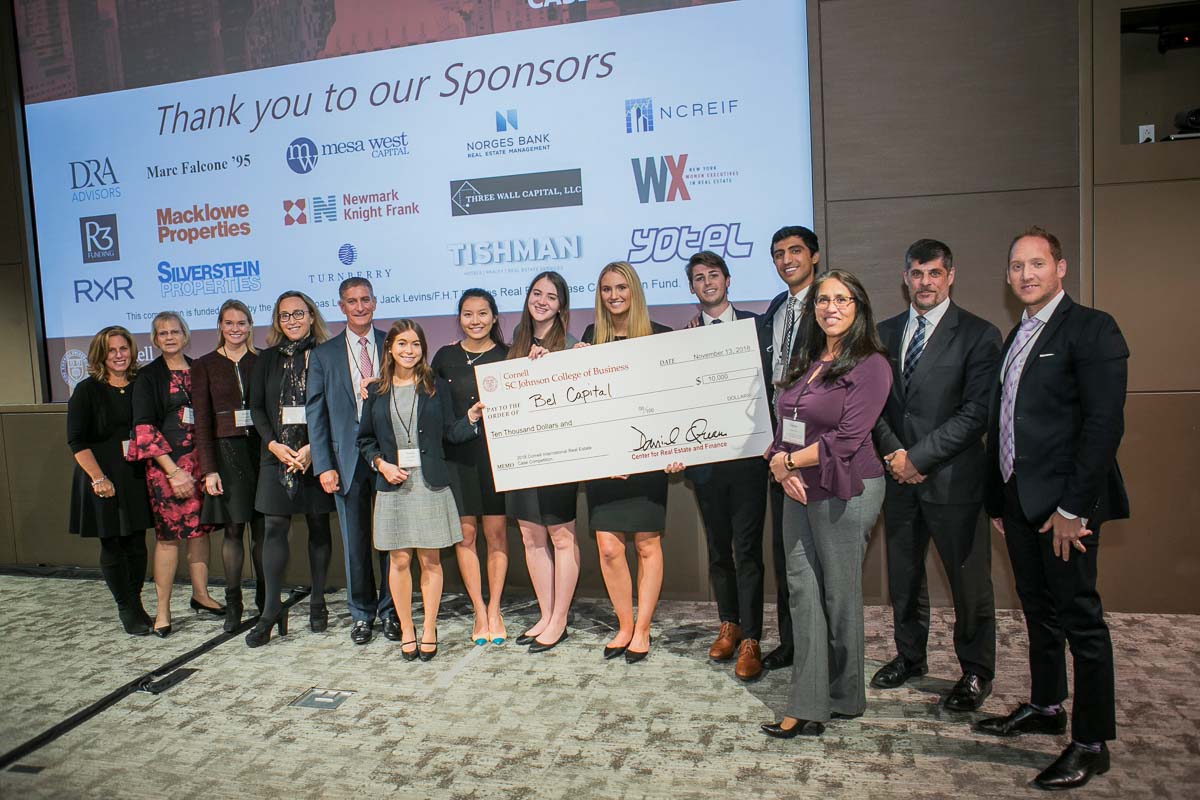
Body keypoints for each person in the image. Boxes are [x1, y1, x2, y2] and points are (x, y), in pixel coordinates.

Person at [974, 227, 1129, 791]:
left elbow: (1103, 427)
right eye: (1016, 266)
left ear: (1060, 268)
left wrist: (1073, 508)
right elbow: (1005, 420)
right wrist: (999, 497)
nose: (1026, 275)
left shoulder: (1092, 328)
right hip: (1018, 501)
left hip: (1065, 508)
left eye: (1037, 264)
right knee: (1037, 612)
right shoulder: (1017, 333)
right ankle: (1046, 706)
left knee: (1081, 621)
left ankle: (1091, 743)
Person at [870, 239, 1001, 711]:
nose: (925, 282)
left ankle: (975, 672)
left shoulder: (979, 334)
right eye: (917, 273)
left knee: (969, 583)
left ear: (950, 276)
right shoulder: (881, 334)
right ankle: (910, 656)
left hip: (953, 482)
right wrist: (895, 454)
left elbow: (976, 414)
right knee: (903, 578)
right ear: (905, 277)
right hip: (898, 479)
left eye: (934, 273)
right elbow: (874, 407)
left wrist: (918, 459)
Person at [761, 269, 890, 738]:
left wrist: (787, 462)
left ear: (859, 307)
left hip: (846, 487)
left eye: (842, 299)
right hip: (798, 486)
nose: (830, 307)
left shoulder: (871, 364)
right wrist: (780, 461)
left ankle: (845, 695)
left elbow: (849, 438)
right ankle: (810, 702)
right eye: (822, 300)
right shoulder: (809, 357)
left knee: (838, 594)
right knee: (802, 592)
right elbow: (785, 422)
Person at [357, 320, 483, 662]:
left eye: (415, 344)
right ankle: (406, 628)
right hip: (393, 486)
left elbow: (449, 432)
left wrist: (470, 419)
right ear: (390, 349)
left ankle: (429, 627)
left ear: (422, 349)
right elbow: (365, 440)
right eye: (402, 344)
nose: (409, 351)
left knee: (430, 560)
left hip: (430, 485)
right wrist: (381, 465)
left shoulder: (434, 386)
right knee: (398, 560)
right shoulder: (376, 391)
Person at [680, 251, 768, 680]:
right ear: (692, 288)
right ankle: (729, 624)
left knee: (747, 551)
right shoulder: (684, 337)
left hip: (750, 459)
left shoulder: (756, 326)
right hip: (707, 464)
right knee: (719, 551)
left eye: (714, 275)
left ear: (728, 281)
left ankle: (752, 637)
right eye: (699, 278)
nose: (708, 282)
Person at [581, 261, 674, 663]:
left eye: (621, 288)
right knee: (608, 548)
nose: (614, 295)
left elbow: (676, 403)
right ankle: (623, 624)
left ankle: (643, 628)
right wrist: (568, 365)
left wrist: (676, 450)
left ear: (634, 291)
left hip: (647, 457)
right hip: (604, 460)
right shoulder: (589, 338)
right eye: (606, 289)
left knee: (647, 545)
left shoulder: (661, 337)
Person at [245, 292, 336, 647]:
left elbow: (335, 404)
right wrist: (272, 444)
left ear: (312, 316)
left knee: (318, 526)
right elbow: (256, 408)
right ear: (277, 322)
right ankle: (271, 611)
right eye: (285, 316)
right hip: (276, 457)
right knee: (274, 530)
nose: (293, 320)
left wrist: (316, 447)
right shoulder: (266, 359)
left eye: (299, 313)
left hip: (317, 455)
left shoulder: (328, 355)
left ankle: (317, 600)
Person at [307, 278, 396, 645]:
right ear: (341, 307)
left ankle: (393, 611)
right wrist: (324, 465)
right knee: (355, 541)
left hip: (388, 457)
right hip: (345, 460)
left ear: (375, 302)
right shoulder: (324, 355)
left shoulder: (394, 344)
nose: (359, 307)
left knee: (392, 539)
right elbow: (316, 413)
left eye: (365, 300)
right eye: (351, 302)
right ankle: (362, 614)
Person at [128, 311, 223, 637]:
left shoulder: (199, 368)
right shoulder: (148, 376)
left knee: (200, 533)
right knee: (168, 540)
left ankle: (201, 595)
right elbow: (143, 428)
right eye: (162, 333)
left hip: (200, 466)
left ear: (185, 334)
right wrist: (173, 472)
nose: (169, 337)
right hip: (166, 469)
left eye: (175, 331)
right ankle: (163, 611)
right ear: (155, 340)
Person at [504, 271, 582, 653]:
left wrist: (555, 365)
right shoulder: (514, 344)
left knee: (561, 536)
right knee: (530, 537)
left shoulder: (571, 346)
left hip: (558, 458)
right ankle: (546, 613)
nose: (542, 301)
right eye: (537, 293)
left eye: (551, 296)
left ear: (561, 305)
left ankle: (560, 619)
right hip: (520, 459)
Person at [756, 225, 820, 671]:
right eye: (778, 254)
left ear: (814, 256)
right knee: (786, 554)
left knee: (823, 560)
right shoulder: (776, 308)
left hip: (820, 452)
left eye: (795, 251)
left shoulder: (832, 303)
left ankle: (825, 649)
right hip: (780, 451)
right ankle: (792, 642)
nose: (786, 260)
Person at [431, 289, 510, 645]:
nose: (475, 320)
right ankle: (478, 610)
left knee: (496, 536)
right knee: (466, 536)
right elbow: (427, 401)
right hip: (456, 459)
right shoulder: (444, 357)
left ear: (494, 317)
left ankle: (495, 609)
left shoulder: (510, 356)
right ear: (459, 318)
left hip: (497, 461)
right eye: (467, 314)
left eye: (482, 313)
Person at [67, 326, 154, 635]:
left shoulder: (140, 384)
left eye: (123, 349)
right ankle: (126, 607)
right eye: (112, 350)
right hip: (101, 476)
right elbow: (76, 441)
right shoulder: (86, 389)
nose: (119, 355)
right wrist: (98, 477)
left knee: (137, 544)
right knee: (113, 543)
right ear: (101, 355)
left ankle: (137, 601)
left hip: (134, 474)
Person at [193, 300, 266, 633]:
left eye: (242, 323)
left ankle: (267, 600)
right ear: (220, 326)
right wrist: (209, 470)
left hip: (263, 451)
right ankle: (234, 602)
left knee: (265, 530)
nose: (235, 329)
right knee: (234, 530)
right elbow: (202, 421)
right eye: (229, 323)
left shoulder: (262, 361)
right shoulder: (205, 365)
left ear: (250, 326)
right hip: (226, 454)